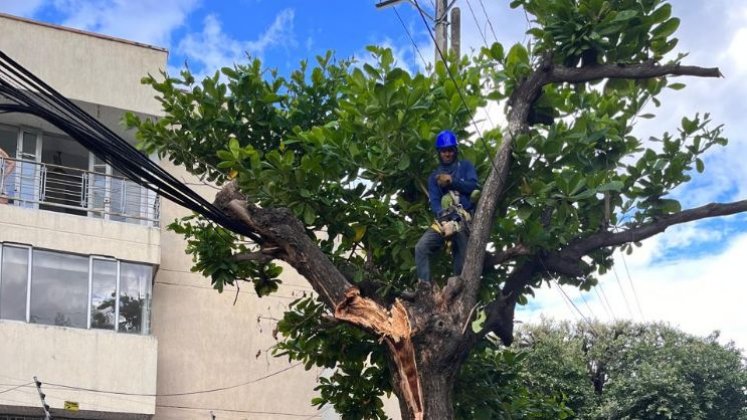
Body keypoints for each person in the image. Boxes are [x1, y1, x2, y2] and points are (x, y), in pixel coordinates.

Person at [413, 130, 478, 286]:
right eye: (444, 151)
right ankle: (425, 288)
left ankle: (458, 290)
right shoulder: (434, 177)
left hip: (462, 218)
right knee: (421, 247)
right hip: (444, 219)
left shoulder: (466, 166)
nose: (447, 154)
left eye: (450, 150)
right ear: (439, 152)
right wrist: (443, 220)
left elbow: (473, 186)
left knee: (461, 260)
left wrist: (452, 182)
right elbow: (435, 201)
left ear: (455, 150)